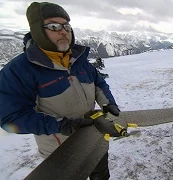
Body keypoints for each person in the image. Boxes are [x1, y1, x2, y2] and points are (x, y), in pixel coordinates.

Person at [0, 2, 120, 179]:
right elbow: (11, 117)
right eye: (54, 26)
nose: (63, 31)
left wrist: (108, 103)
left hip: (93, 135)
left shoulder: (78, 60)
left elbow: (98, 83)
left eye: (67, 26)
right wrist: (61, 125)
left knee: (101, 176)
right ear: (38, 31)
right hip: (60, 150)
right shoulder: (19, 70)